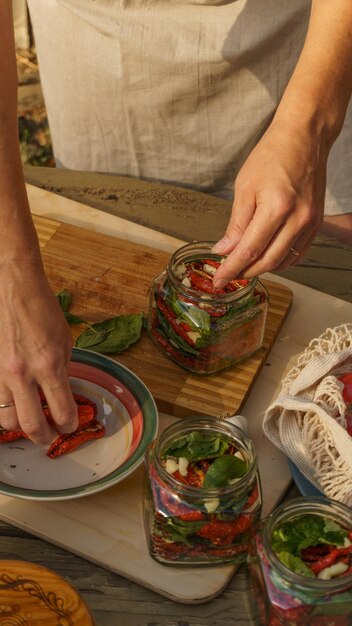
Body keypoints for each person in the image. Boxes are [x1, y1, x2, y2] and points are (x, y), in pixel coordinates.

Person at [0, 0, 351, 445]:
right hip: (102, 37)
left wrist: (309, 125)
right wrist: (9, 268)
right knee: (114, 204)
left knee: (330, 274)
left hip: (310, 45)